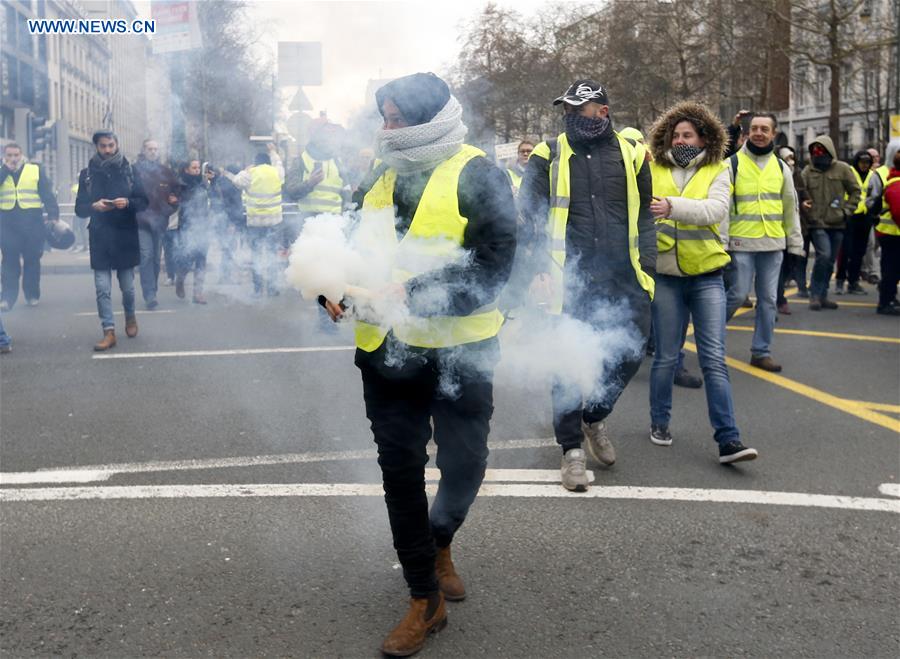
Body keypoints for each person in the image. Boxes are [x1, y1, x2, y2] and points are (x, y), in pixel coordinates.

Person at [322, 72, 516, 656]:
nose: (386, 128)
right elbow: (346, 241)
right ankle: (422, 596)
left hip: (462, 349)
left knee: (466, 462)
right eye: (382, 116)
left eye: (396, 117)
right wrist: (329, 287)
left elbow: (495, 262)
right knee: (400, 470)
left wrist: (420, 290)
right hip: (386, 354)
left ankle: (439, 539)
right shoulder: (379, 172)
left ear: (429, 118)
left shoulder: (479, 171)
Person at [519, 79, 656, 491]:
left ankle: (594, 416)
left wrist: (647, 268)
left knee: (632, 351)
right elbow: (529, 216)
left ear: (603, 110)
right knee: (565, 363)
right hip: (569, 277)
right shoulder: (549, 152)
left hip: (625, 274)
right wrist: (538, 269)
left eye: (581, 108)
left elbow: (645, 215)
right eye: (568, 109)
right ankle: (571, 451)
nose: (573, 115)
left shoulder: (632, 153)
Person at [646, 101, 757, 463]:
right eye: (675, 135)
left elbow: (715, 210)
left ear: (703, 137)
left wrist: (672, 207)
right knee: (665, 357)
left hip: (707, 275)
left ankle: (729, 439)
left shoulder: (718, 168)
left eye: (687, 134)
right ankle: (659, 422)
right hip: (665, 276)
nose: (680, 140)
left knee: (713, 359)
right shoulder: (653, 167)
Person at [721, 113, 803, 373]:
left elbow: (791, 207)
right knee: (736, 295)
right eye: (754, 128)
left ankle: (761, 351)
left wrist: (795, 244)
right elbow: (723, 209)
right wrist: (722, 243)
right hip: (741, 243)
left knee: (768, 300)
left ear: (773, 133)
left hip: (772, 244)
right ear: (747, 132)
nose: (758, 132)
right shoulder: (732, 165)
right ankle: (710, 338)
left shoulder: (781, 168)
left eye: (764, 129)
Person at [75, 130, 148, 351]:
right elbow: (79, 208)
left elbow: (143, 201)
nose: (107, 150)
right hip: (100, 236)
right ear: (96, 147)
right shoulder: (87, 174)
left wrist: (127, 202)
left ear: (117, 145)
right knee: (102, 288)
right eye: (103, 146)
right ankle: (108, 331)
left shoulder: (130, 170)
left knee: (127, 287)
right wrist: (93, 207)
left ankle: (130, 316)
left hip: (125, 235)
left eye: (111, 145)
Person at [800, 136, 861, 311]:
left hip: (838, 223)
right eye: (814, 151)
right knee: (824, 256)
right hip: (816, 223)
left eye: (821, 150)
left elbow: (855, 191)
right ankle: (815, 295)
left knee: (830, 261)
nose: (817, 154)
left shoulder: (842, 169)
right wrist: (806, 210)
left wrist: (846, 211)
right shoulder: (807, 172)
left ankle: (823, 294)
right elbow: (800, 192)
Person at [0, 143, 60, 310]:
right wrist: (5, 170)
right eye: (9, 155)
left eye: (16, 155)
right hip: (8, 224)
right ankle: (7, 298)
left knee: (32, 260)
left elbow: (46, 193)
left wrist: (53, 215)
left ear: (22, 155)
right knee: (9, 262)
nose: (13, 159)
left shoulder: (34, 169)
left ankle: (32, 294)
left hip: (33, 224)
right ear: (4, 156)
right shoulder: (1, 170)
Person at [223, 144, 284, 297]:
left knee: (256, 255)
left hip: (255, 222)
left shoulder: (251, 172)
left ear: (255, 162)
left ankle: (257, 289)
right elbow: (279, 163)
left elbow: (236, 181)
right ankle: (272, 287)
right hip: (274, 222)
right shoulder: (275, 172)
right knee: (271, 254)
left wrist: (247, 169)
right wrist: (273, 151)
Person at [133, 139, 179, 309]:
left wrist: (171, 205)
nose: (153, 152)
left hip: (159, 221)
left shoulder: (165, 172)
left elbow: (177, 191)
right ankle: (149, 294)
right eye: (150, 149)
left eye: (155, 149)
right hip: (141, 221)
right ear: (143, 150)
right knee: (146, 256)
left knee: (154, 259)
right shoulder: (135, 170)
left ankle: (153, 288)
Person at [834, 151, 875, 296]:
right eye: (862, 162)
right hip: (850, 216)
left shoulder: (872, 176)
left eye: (867, 163)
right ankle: (840, 280)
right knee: (846, 251)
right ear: (856, 162)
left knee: (859, 252)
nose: (864, 165)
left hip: (864, 217)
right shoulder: (849, 172)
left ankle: (853, 282)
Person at [174, 160, 210, 304]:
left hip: (203, 226)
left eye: (198, 168)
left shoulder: (204, 183)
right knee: (187, 260)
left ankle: (198, 293)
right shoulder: (181, 184)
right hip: (187, 227)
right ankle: (180, 280)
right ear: (187, 169)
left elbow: (212, 199)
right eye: (193, 168)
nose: (197, 170)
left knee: (201, 260)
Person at [209, 163, 245, 284]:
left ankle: (224, 275)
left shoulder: (218, 182)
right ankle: (225, 275)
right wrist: (234, 224)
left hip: (218, 221)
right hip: (229, 221)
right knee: (229, 248)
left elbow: (214, 203)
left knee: (226, 248)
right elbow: (235, 206)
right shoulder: (232, 185)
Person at [875, 145, 900, 315]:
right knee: (892, 270)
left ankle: (888, 298)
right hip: (893, 234)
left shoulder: (893, 180)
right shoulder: (896, 183)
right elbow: (898, 212)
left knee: (891, 269)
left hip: (890, 233)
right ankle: (885, 302)